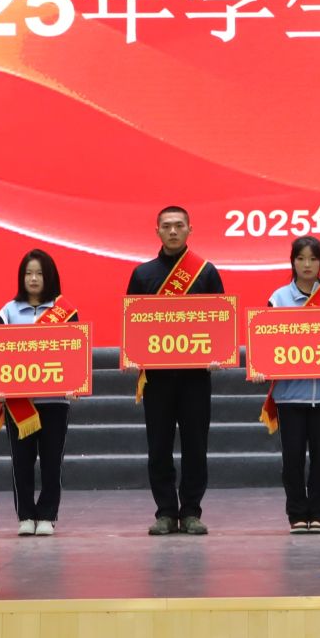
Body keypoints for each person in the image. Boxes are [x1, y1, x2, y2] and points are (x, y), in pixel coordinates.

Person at [126, 206, 225, 537]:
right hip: (157, 378)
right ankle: (166, 512)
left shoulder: (206, 273)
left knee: (196, 445)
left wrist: (218, 353)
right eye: (166, 226)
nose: (172, 231)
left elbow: (219, 321)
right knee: (159, 446)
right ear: (157, 231)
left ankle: (192, 511)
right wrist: (134, 353)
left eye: (178, 225)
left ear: (189, 230)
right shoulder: (143, 275)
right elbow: (133, 323)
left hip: (196, 377)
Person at [265, 235, 320, 534]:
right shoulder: (278, 299)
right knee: (293, 458)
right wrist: (262, 366)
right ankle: (297, 514)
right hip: (289, 395)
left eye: (313, 259)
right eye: (301, 259)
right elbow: (267, 341)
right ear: (293, 262)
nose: (307, 265)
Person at [0, 248, 78, 537]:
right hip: (19, 402)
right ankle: (25, 516)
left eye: (39, 273)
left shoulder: (66, 312)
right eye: (28, 273)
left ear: (50, 277)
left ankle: (47, 515)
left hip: (55, 401)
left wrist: (76, 383)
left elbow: (74, 353)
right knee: (21, 462)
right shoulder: (7, 312)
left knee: (52, 462)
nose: (33, 278)